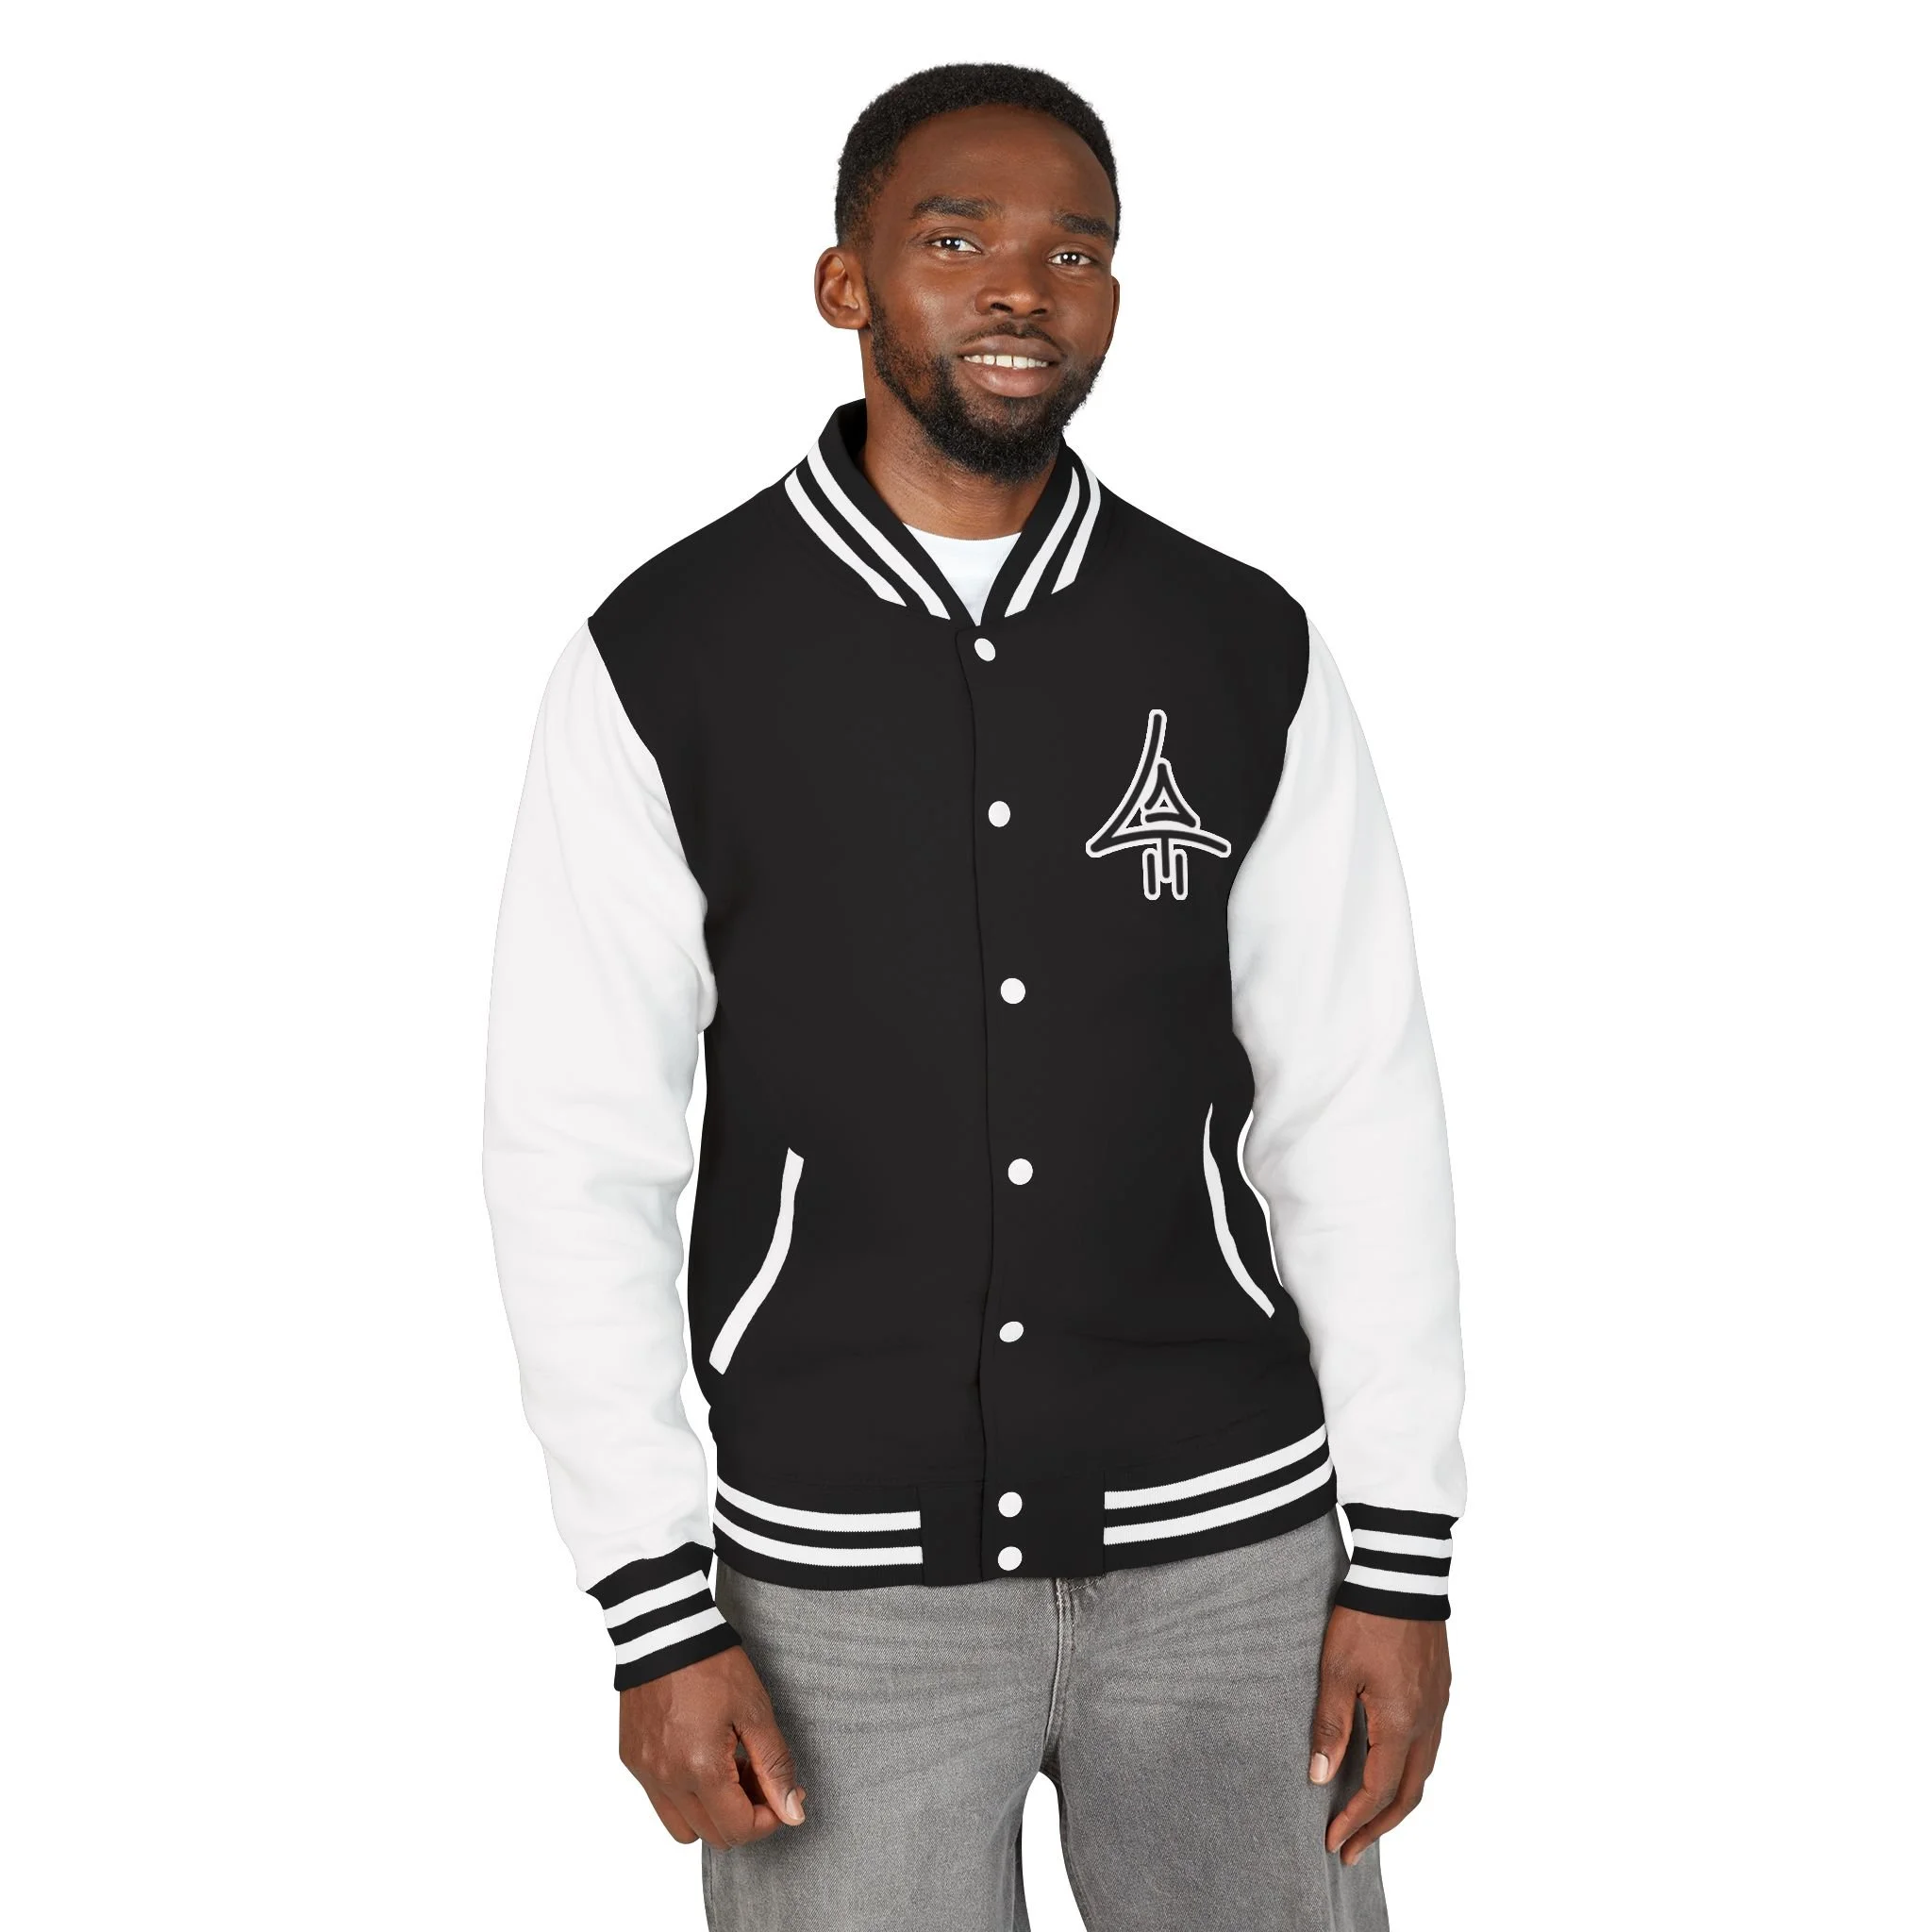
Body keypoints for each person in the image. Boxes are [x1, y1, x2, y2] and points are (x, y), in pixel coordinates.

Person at [482, 61, 1465, 1932]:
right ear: (844, 283)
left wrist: (1401, 1558)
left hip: (1234, 1560)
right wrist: (652, 1606)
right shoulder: (669, 657)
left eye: (1074, 252)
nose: (1023, 287)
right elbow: (572, 1151)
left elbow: (1356, 1104)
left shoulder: (1234, 643)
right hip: (834, 1595)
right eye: (956, 241)